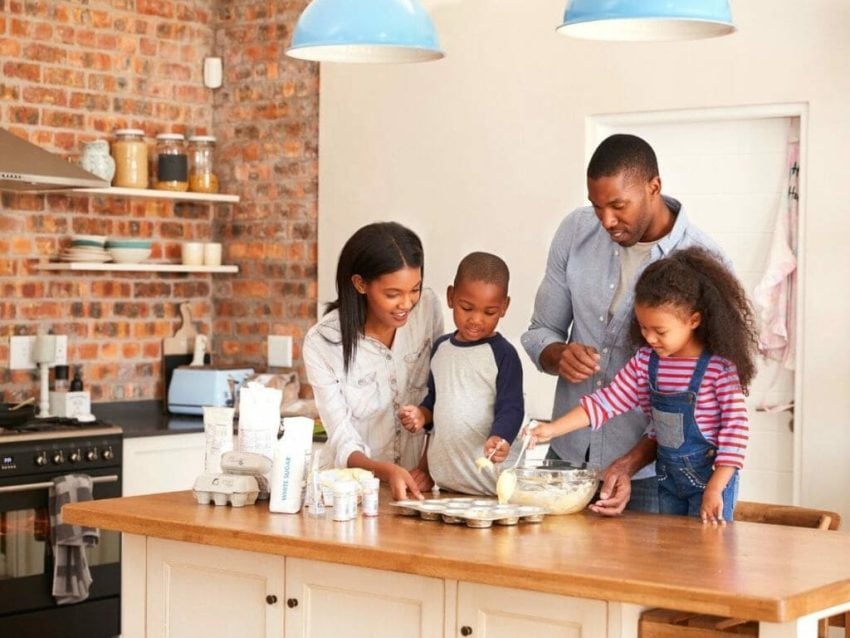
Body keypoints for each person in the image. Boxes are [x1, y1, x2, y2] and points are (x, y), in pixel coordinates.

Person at [521, 133, 731, 516]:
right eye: (597, 206)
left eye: (618, 206)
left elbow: (703, 401)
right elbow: (540, 331)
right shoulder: (574, 232)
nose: (606, 221)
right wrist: (556, 354)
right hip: (566, 456)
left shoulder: (703, 262)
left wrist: (630, 461)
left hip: (653, 478)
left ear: (654, 187)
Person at [528, 247, 758, 523]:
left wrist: (715, 488)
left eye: (660, 331)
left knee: (709, 557)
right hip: (668, 481)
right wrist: (551, 430)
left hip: (711, 483)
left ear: (693, 320)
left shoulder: (719, 370)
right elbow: (606, 402)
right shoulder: (646, 361)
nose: (649, 338)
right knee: (669, 555)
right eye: (643, 327)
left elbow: (736, 434)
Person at [303, 222, 444, 501]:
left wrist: (426, 466)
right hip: (350, 494)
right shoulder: (322, 343)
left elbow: (441, 393)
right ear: (360, 284)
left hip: (418, 489)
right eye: (393, 294)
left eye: (414, 289)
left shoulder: (428, 308)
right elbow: (342, 437)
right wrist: (384, 471)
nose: (407, 304)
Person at [398, 252, 524, 495]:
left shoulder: (504, 355)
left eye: (490, 312)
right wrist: (421, 415)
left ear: (504, 307)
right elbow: (435, 401)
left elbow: (512, 408)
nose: (476, 320)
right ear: (451, 297)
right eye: (467, 308)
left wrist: (501, 437)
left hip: (488, 488)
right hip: (446, 486)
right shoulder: (441, 349)